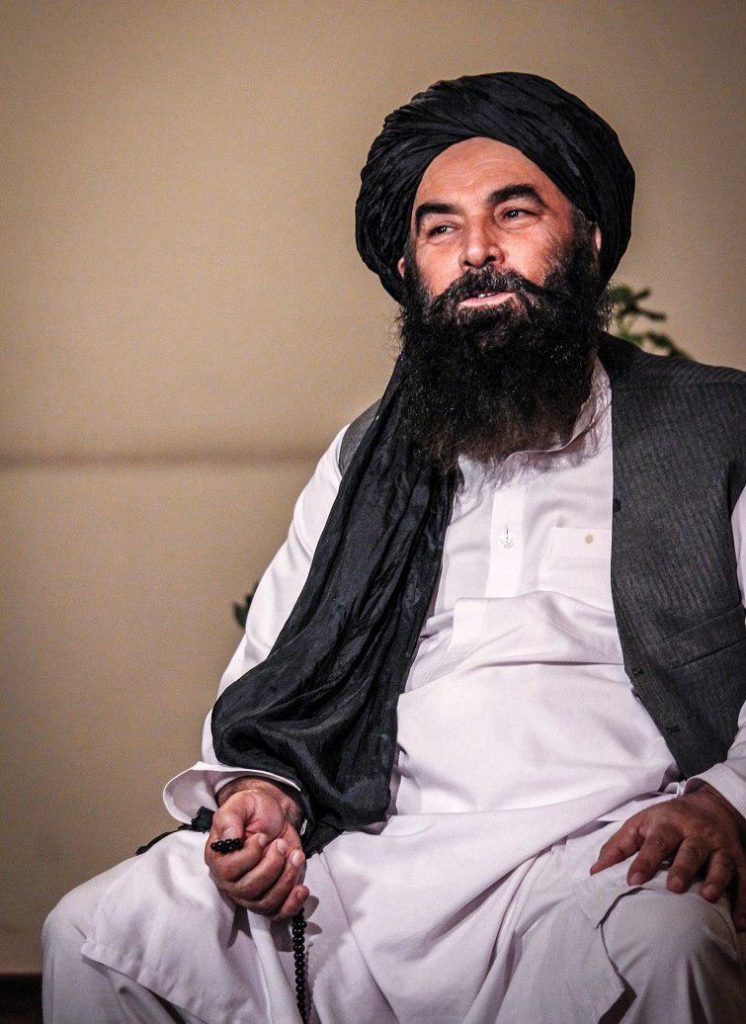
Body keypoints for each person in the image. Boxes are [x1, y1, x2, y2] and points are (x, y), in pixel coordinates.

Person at [43, 72, 746, 1024]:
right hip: (369, 858)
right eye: (441, 228)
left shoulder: (715, 428)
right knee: (98, 932)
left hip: (604, 858)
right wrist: (263, 796)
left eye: (514, 214)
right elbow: (273, 679)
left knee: (670, 940)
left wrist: (724, 800)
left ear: (586, 240)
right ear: (412, 267)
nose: (478, 252)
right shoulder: (365, 459)